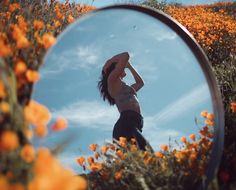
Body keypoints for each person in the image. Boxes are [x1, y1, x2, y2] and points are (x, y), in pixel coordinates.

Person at [97, 52, 153, 152]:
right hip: (126, 124)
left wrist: (130, 67)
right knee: (147, 153)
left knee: (143, 158)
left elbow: (140, 83)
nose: (123, 66)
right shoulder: (112, 80)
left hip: (136, 124)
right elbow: (125, 55)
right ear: (115, 69)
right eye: (120, 65)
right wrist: (110, 61)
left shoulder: (126, 88)